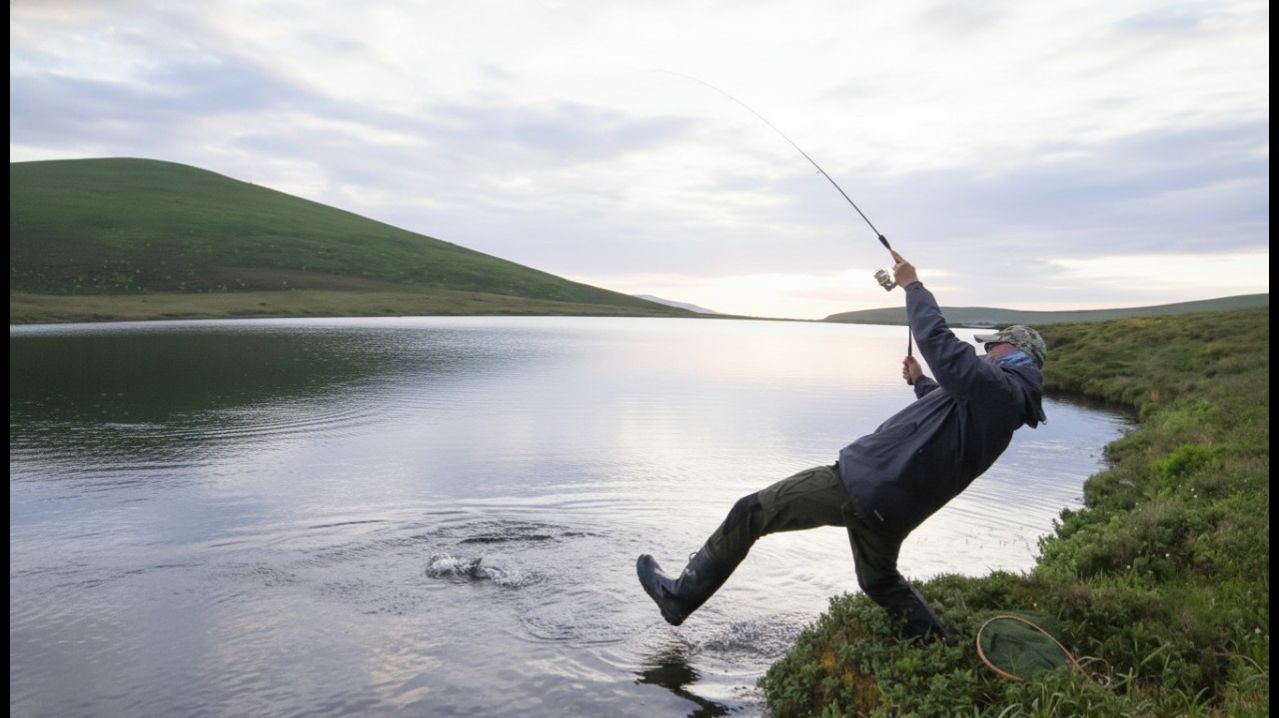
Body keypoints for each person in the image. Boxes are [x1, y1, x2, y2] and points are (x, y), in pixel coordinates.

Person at [636, 251, 1048, 640]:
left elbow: (945, 348)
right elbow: (953, 410)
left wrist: (913, 287)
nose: (986, 349)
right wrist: (920, 381)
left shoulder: (1001, 391)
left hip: (866, 487)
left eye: (991, 345)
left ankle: (679, 597)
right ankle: (937, 646)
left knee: (751, 512)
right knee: (880, 582)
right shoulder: (1004, 401)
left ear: (1014, 350)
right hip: (893, 506)